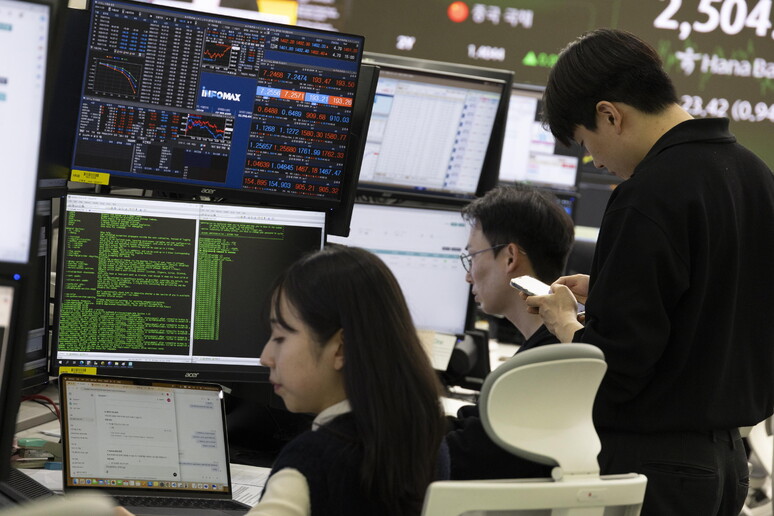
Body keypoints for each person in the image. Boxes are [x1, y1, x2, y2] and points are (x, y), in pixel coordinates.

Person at [524, 28, 774, 515]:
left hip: (655, 469)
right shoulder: (756, 176)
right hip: (729, 467)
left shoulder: (648, 196)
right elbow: (714, 301)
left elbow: (615, 371)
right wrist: (611, 289)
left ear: (609, 114)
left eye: (587, 143)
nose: (596, 161)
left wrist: (563, 321)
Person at [116, 245, 448, 516]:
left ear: (340, 348)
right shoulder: (427, 438)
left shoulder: (311, 462)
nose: (265, 357)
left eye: (280, 337)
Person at [447, 184, 575, 479]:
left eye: (472, 257)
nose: (468, 276)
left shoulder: (539, 369)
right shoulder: (551, 348)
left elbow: (461, 458)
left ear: (510, 257)